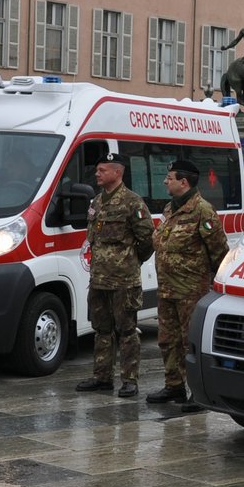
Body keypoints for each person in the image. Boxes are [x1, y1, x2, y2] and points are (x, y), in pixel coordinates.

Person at [148, 158, 228, 410]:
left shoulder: (203, 211)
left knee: (189, 342)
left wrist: (215, 287)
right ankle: (174, 386)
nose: (165, 181)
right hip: (167, 289)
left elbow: (219, 252)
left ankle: (197, 392)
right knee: (166, 339)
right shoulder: (171, 209)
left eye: (169, 178)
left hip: (190, 291)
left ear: (184, 182)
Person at [75, 152, 154, 398]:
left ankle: (130, 380)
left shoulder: (133, 203)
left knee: (127, 331)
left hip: (123, 280)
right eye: (97, 170)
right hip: (99, 279)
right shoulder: (97, 203)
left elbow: (147, 240)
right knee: (101, 329)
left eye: (102, 170)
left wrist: (130, 261)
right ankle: (102, 377)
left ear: (117, 173)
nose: (97, 174)